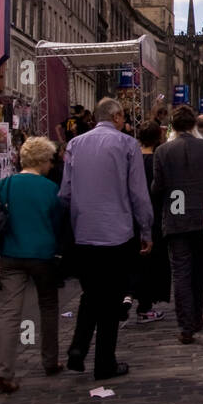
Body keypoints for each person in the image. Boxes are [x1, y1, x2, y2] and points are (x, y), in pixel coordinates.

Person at [60, 98, 153, 380]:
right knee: (112, 300)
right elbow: (138, 193)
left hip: (85, 233)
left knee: (91, 294)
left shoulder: (75, 145)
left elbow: (65, 193)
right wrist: (146, 230)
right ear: (117, 117)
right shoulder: (127, 145)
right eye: (123, 117)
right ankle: (104, 362)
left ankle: (78, 348)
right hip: (117, 234)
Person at [0, 137, 65, 392]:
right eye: (50, 160)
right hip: (43, 255)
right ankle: (50, 360)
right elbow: (60, 222)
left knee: (10, 311)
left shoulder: (7, 184)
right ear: (41, 160)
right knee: (48, 306)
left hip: (11, 253)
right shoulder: (50, 188)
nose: (52, 165)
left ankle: (3, 369)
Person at [153, 106, 203, 341]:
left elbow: (158, 187)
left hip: (176, 216)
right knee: (200, 271)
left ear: (172, 126)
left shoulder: (162, 151)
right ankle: (198, 315)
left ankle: (186, 324)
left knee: (181, 272)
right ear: (193, 125)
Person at [131, 123, 169, 324]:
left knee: (135, 260)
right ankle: (145, 306)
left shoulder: (132, 158)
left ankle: (130, 295)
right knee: (151, 263)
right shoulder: (157, 160)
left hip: (132, 217)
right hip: (154, 216)